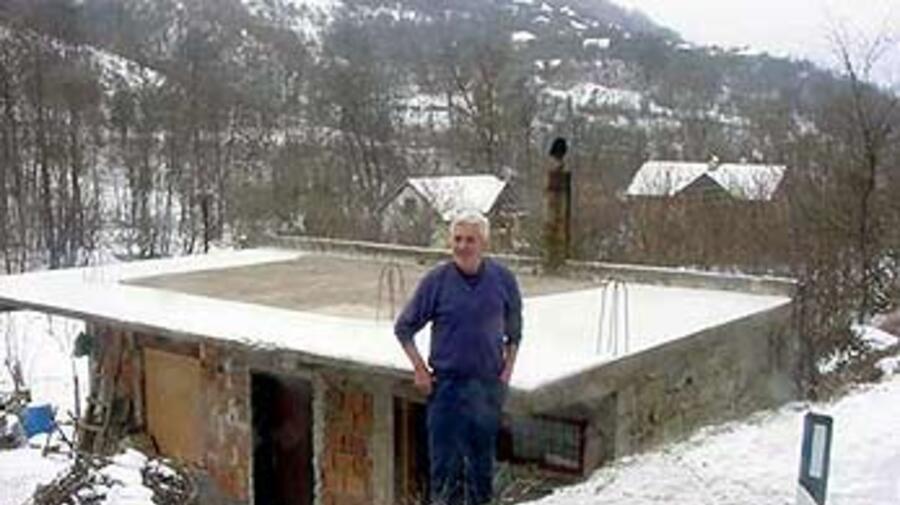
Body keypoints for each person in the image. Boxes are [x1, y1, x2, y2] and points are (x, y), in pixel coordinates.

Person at [395, 210, 523, 505]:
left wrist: (507, 371)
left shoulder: (503, 280)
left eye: (470, 240)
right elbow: (404, 328)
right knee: (445, 471)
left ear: (484, 243)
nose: (462, 246)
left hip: (487, 388)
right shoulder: (437, 281)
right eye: (457, 239)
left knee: (481, 471)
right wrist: (419, 370)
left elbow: (515, 332)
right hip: (447, 389)